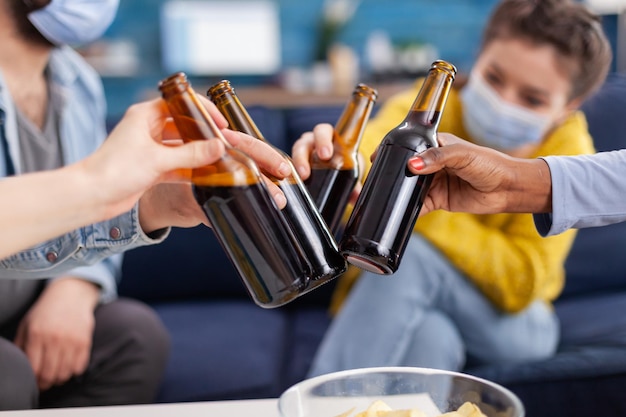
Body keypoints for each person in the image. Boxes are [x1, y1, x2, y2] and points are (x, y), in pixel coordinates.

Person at [292, 0, 612, 377]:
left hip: (513, 324)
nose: (504, 102)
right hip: (407, 303)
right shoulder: (424, 110)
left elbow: (522, 280)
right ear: (478, 59)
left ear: (568, 107)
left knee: (408, 256)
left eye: (533, 99)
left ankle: (322, 401)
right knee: (432, 336)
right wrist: (336, 165)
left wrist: (414, 212)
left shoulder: (570, 151)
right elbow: (364, 173)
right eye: (493, 78)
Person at [0, 0, 288, 410]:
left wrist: (153, 206)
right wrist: (98, 185)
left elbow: (80, 215)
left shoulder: (77, 80)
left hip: (31, 291)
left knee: (135, 335)